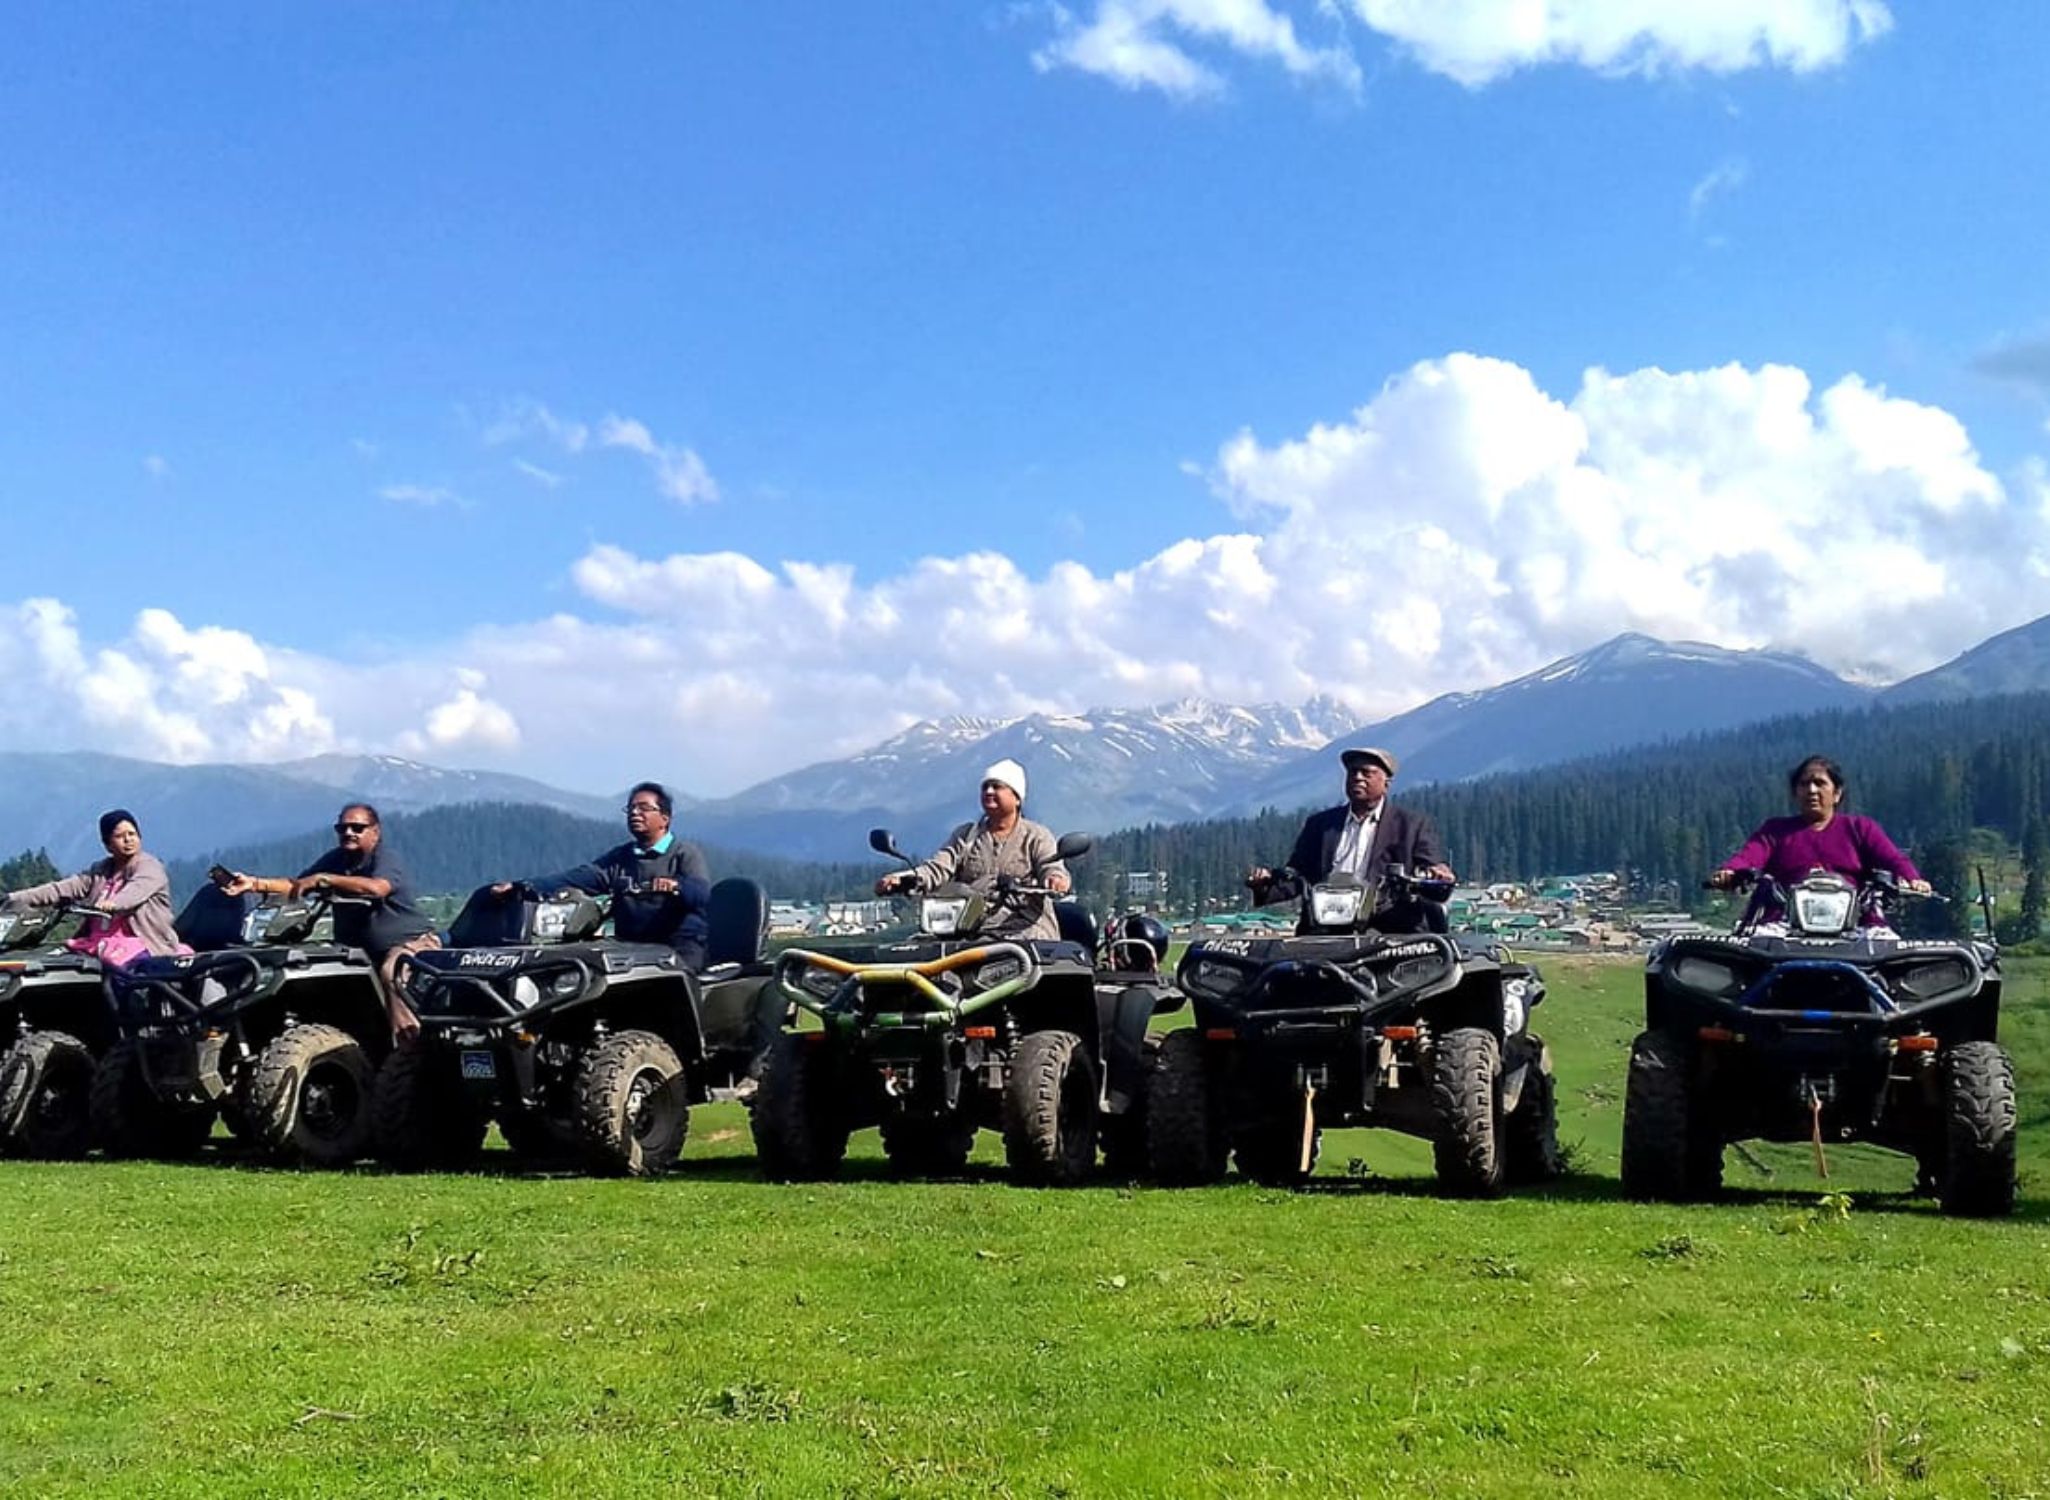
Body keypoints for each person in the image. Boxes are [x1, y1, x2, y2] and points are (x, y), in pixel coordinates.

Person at [215, 803, 439, 1038]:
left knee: (392, 972)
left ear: (375, 831)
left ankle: (409, 1050)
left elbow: (377, 888)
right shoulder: (338, 860)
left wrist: (326, 879)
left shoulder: (385, 859)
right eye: (342, 828)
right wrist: (254, 884)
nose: (349, 833)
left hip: (411, 943)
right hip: (359, 951)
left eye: (357, 827)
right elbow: (299, 884)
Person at [494, 781, 712, 970]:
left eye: (644, 808)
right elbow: (577, 878)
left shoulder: (685, 853)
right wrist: (522, 886)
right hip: (630, 947)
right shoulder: (620, 858)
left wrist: (676, 886)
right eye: (631, 808)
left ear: (665, 818)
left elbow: (701, 894)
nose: (635, 813)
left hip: (678, 948)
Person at [1247, 746, 1455, 934]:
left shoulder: (1411, 825)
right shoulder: (1321, 825)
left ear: (1386, 783)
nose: (1358, 777)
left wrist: (1440, 875)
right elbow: (1298, 874)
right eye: (1352, 772)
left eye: (1367, 773)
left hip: (1389, 925)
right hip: (1327, 924)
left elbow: (1431, 871)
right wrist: (1264, 883)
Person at [876, 759, 1072, 942]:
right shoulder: (966, 835)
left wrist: (1056, 879)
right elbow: (938, 868)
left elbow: (1051, 865)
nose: (989, 791)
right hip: (971, 930)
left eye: (997, 786)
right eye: (985, 787)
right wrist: (905, 878)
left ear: (1017, 797)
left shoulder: (1036, 836)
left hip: (1025, 930)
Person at [1709, 755, 1931, 915]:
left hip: (1857, 920)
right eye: (1804, 784)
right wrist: (1730, 872)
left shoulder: (1861, 828)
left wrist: (1913, 879)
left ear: (1837, 793)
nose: (1812, 790)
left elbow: (1893, 859)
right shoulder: (1774, 830)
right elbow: (1749, 856)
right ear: (1795, 793)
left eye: (1820, 783)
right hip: (1783, 921)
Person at [3, 809, 189, 966]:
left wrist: (113, 904)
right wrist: (14, 898)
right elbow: (60, 888)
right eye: (119, 836)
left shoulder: (149, 866)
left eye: (132, 834)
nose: (128, 840)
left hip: (144, 943)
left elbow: (136, 891)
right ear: (107, 844)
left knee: (117, 969)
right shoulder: (101, 871)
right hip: (97, 942)